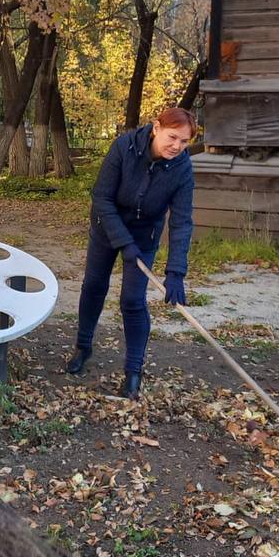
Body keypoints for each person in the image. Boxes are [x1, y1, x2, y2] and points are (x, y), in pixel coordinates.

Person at [65, 107, 196, 400]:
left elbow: (182, 221)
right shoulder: (125, 147)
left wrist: (176, 272)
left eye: (184, 142)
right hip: (106, 226)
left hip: (144, 235)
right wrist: (122, 242)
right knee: (94, 285)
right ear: (156, 128)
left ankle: (133, 372)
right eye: (172, 137)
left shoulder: (182, 169)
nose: (177, 146)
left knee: (133, 301)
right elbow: (101, 196)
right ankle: (83, 347)